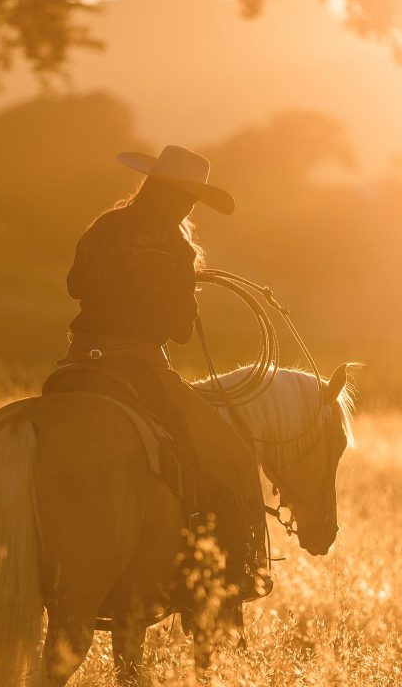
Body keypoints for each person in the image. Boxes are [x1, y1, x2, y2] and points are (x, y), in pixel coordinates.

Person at [48, 144, 270, 606]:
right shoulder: (176, 247)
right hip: (139, 367)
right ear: (170, 194)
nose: (189, 206)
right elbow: (181, 331)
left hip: (77, 364)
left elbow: (75, 284)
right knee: (228, 452)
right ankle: (232, 572)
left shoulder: (105, 227)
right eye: (187, 197)